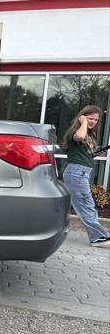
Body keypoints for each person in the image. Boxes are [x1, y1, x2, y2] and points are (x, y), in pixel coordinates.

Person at [62, 105, 110, 247]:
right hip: (76, 173)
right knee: (86, 205)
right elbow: (79, 136)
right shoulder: (76, 131)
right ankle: (98, 237)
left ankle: (49, 228)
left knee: (71, 205)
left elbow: (83, 153)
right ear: (82, 116)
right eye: (90, 118)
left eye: (96, 120)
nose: (93, 122)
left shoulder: (88, 134)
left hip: (80, 172)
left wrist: (94, 154)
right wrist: (82, 122)